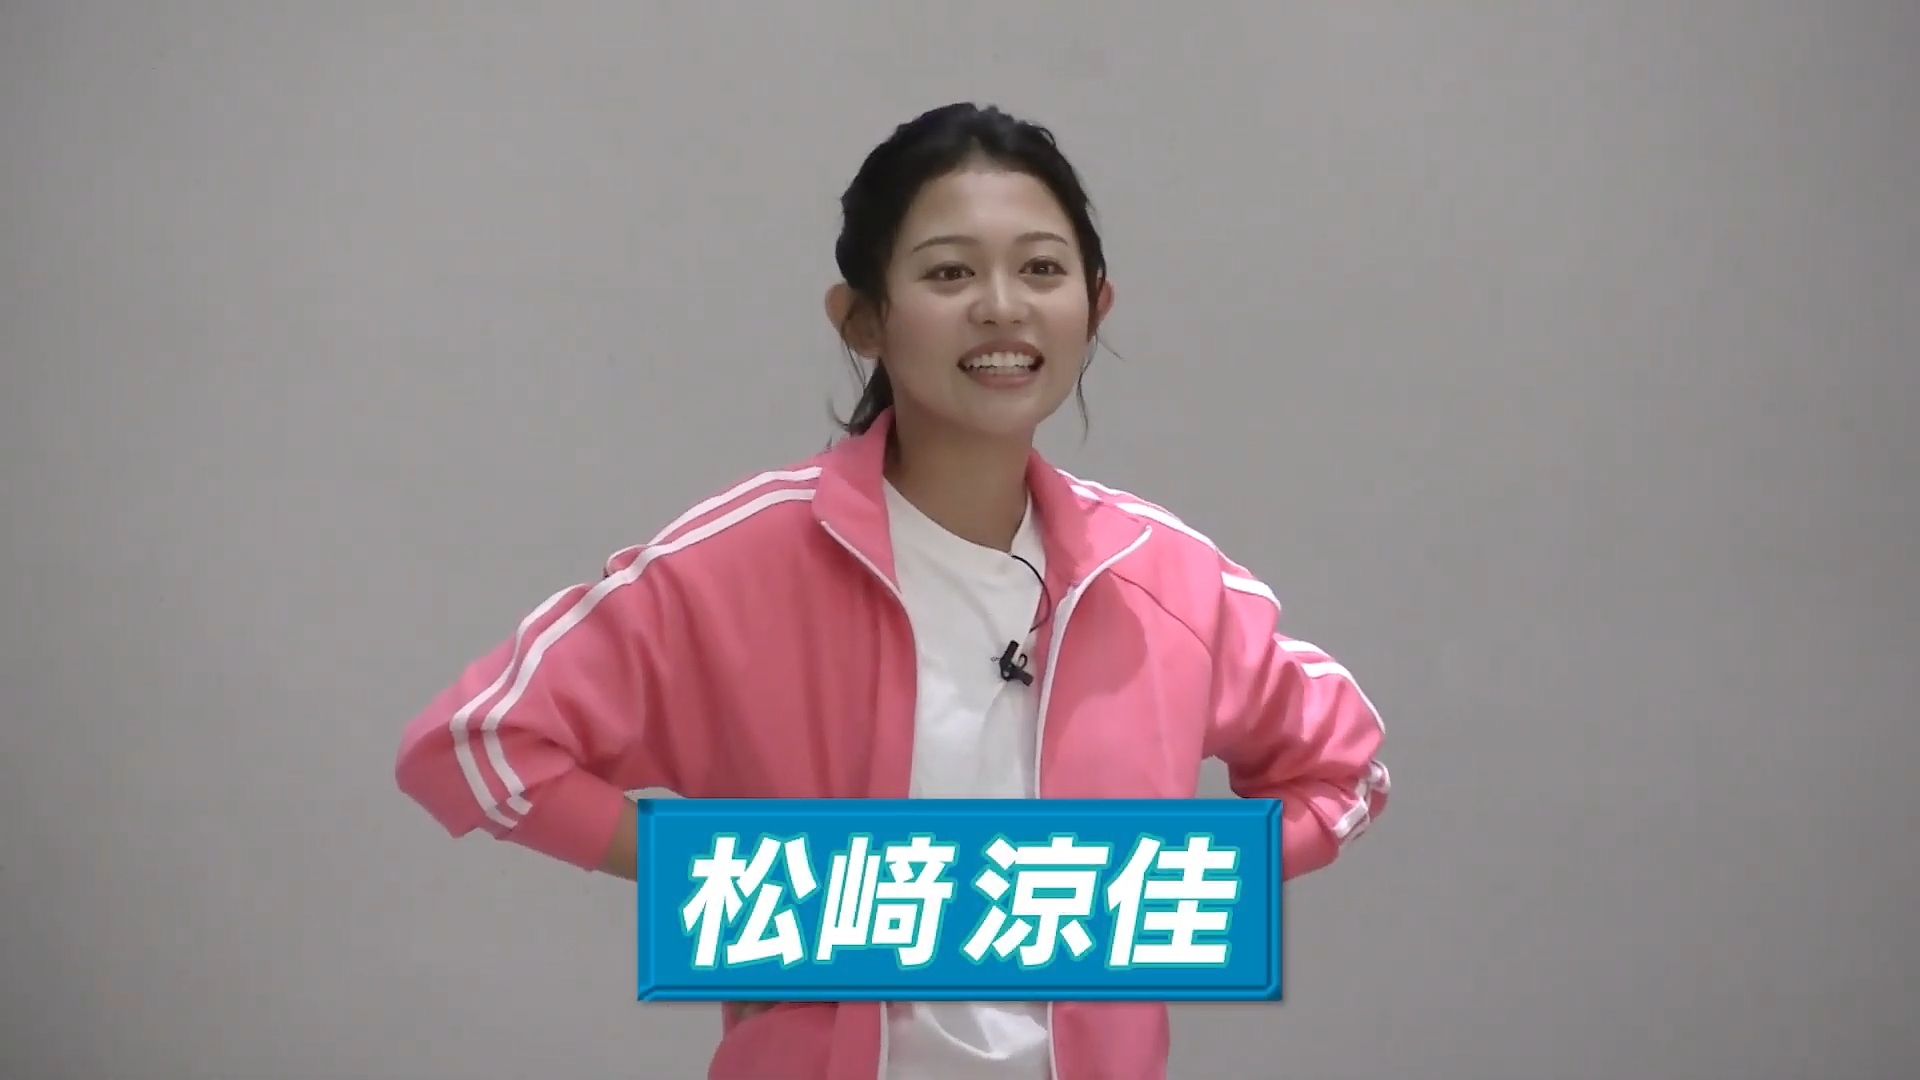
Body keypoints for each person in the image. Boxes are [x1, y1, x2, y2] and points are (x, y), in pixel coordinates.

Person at [394, 102, 1391, 1080]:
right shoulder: (744, 560)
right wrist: (761, 896)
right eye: (950, 272)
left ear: (1097, 306)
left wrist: (1150, 896)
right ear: (864, 318)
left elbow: (1345, 773)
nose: (1002, 306)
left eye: (1042, 270)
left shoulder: (1164, 576)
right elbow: (474, 745)